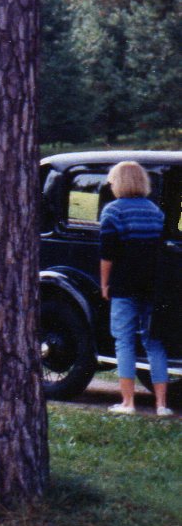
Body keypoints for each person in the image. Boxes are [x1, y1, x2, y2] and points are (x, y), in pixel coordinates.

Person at [99, 160, 172, 416]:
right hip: (152, 285)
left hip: (124, 284)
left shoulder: (112, 211)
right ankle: (161, 405)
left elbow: (107, 253)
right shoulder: (155, 211)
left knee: (124, 341)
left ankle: (128, 403)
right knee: (154, 342)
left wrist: (104, 283)